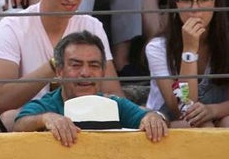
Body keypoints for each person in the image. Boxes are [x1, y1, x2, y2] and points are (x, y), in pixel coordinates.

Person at [12, 31, 168, 144]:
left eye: (93, 65)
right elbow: (19, 126)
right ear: (59, 72)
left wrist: (153, 118)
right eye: (76, 65)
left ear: (102, 72)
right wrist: (45, 119)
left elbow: (146, 117)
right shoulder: (47, 105)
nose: (85, 73)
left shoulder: (114, 104)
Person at [145, 0, 229, 127]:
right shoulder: (157, 47)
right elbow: (183, 107)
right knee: (198, 126)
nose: (195, 8)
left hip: (217, 113)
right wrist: (189, 51)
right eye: (186, 0)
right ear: (174, 4)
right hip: (171, 121)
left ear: (216, 2)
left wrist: (211, 110)